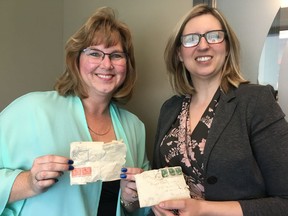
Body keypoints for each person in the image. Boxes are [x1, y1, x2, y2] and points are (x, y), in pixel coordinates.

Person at [0, 6, 149, 216]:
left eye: (116, 55)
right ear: (76, 59)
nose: (106, 64)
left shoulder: (134, 127)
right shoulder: (31, 110)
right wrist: (29, 182)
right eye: (95, 53)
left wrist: (130, 199)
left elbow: (137, 208)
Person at [151, 4, 288, 216]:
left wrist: (204, 209)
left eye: (214, 36)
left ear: (227, 47)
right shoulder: (170, 108)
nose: (203, 46)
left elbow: (285, 202)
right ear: (179, 52)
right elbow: (160, 180)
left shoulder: (256, 102)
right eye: (191, 39)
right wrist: (145, 194)